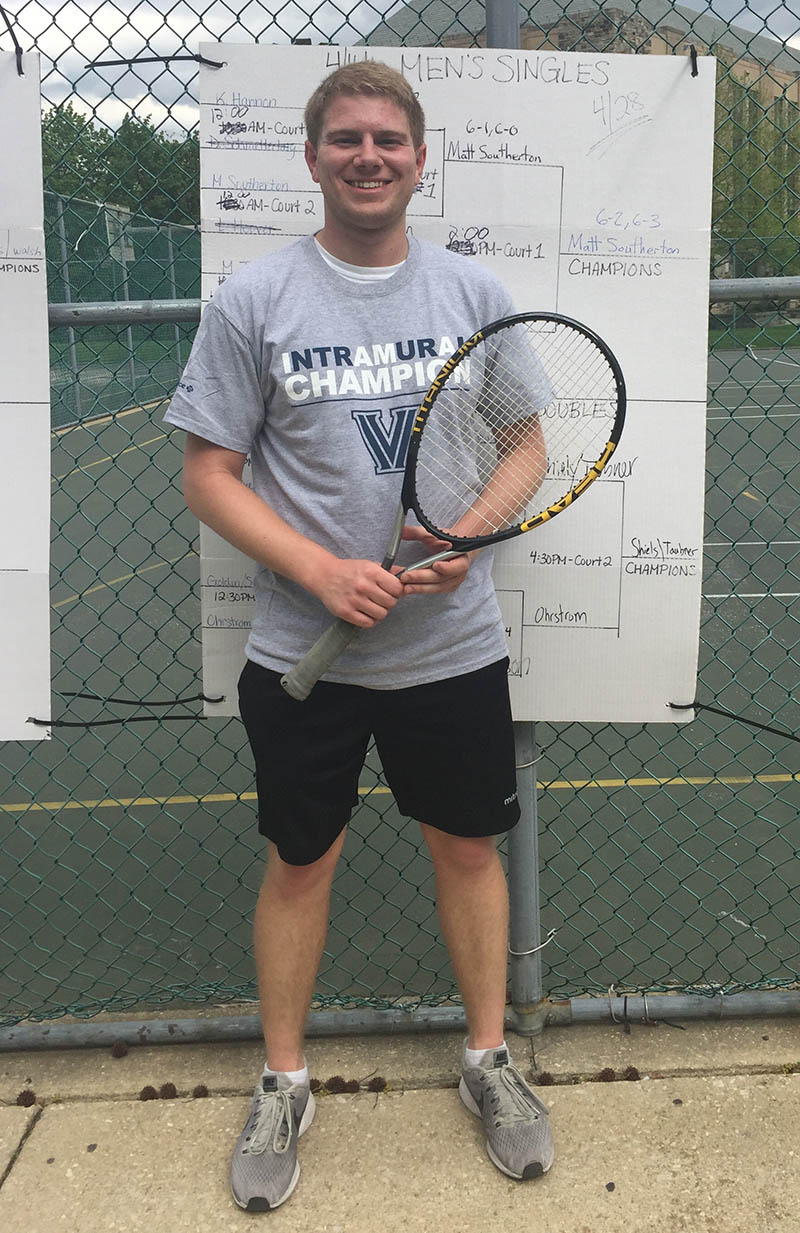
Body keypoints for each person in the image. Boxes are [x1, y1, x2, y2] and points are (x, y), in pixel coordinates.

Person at [165, 59, 554, 1212]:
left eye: (389, 139)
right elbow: (208, 472)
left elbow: (524, 445)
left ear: (419, 158)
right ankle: (284, 1080)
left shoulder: (471, 294)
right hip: (301, 659)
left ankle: (488, 1062)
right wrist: (318, 570)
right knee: (300, 864)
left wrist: (463, 533)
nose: (368, 156)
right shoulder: (255, 300)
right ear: (312, 157)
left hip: (451, 651)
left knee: (468, 853)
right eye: (346, 139)